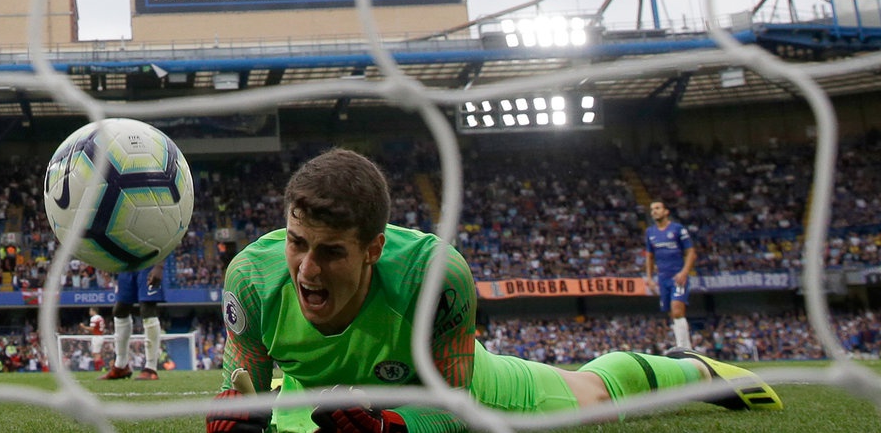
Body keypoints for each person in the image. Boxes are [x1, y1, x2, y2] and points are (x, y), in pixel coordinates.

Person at [205, 149, 782, 433]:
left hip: (441, 390)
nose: (306, 270)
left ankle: (696, 369)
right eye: (297, 242)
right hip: (318, 401)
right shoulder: (252, 279)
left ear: (374, 249)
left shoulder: (436, 278)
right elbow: (244, 387)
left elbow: (455, 409)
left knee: (597, 397)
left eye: (330, 252)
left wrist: (394, 427)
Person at [643, 199, 698, 350]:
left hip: (677, 276)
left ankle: (684, 347)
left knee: (677, 309)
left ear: (666, 211)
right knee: (671, 313)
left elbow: (691, 252)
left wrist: (684, 272)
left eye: (657, 208)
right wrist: (649, 278)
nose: (654, 211)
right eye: (652, 209)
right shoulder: (650, 232)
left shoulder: (678, 229)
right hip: (662, 278)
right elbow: (649, 256)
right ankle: (683, 344)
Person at [98, 262, 164, 381]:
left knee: (147, 308)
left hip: (149, 261)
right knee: (120, 310)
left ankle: (151, 368)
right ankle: (121, 365)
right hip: (128, 264)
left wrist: (159, 266)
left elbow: (169, 242)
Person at [80, 306, 106, 372]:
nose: (89, 312)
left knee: (95, 354)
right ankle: (100, 368)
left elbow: (92, 328)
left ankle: (101, 368)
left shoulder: (94, 318)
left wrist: (84, 327)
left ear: (93, 311)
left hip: (97, 336)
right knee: (97, 353)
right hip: (100, 336)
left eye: (90, 311)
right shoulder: (100, 317)